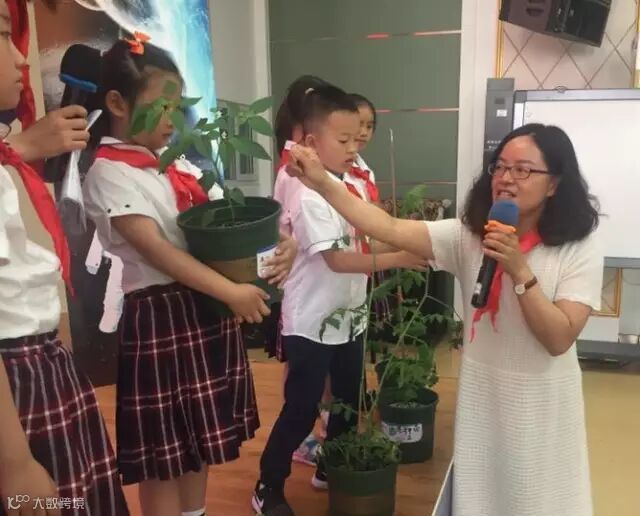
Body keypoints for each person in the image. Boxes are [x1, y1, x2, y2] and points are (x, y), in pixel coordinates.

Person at [287, 124, 603, 516]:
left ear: (554, 184)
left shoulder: (579, 248)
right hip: (483, 395)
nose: (506, 178)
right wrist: (322, 181)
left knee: (538, 498)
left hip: (543, 400)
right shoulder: (469, 237)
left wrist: (519, 270)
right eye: (500, 166)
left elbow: (559, 338)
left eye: (522, 170)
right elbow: (387, 227)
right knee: (482, 496)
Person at [82, 38, 296, 516]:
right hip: (162, 317)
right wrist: (231, 292)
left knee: (198, 441)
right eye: (161, 107)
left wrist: (282, 244)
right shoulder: (109, 173)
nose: (172, 120)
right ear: (117, 103)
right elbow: (159, 252)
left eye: (177, 108)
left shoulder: (175, 164)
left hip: (204, 309)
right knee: (164, 456)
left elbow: (232, 224)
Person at [252, 85, 428, 516]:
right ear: (312, 143)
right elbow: (337, 260)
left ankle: (330, 468)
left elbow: (367, 237)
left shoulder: (347, 185)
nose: (354, 147)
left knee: (348, 402)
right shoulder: (308, 193)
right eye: (344, 139)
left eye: (358, 137)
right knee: (302, 407)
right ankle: (268, 484)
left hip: (351, 315)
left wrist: (405, 239)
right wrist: (399, 257)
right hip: (313, 320)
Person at [0, 2, 129, 514]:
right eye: (3, 35)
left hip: (42, 370)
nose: (20, 58)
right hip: (17, 387)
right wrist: (14, 465)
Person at [272, 75, 331, 467]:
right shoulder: (293, 171)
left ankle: (318, 432)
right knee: (305, 372)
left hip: (323, 285)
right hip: (306, 287)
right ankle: (307, 438)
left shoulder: (310, 167)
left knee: (318, 371)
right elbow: (293, 232)